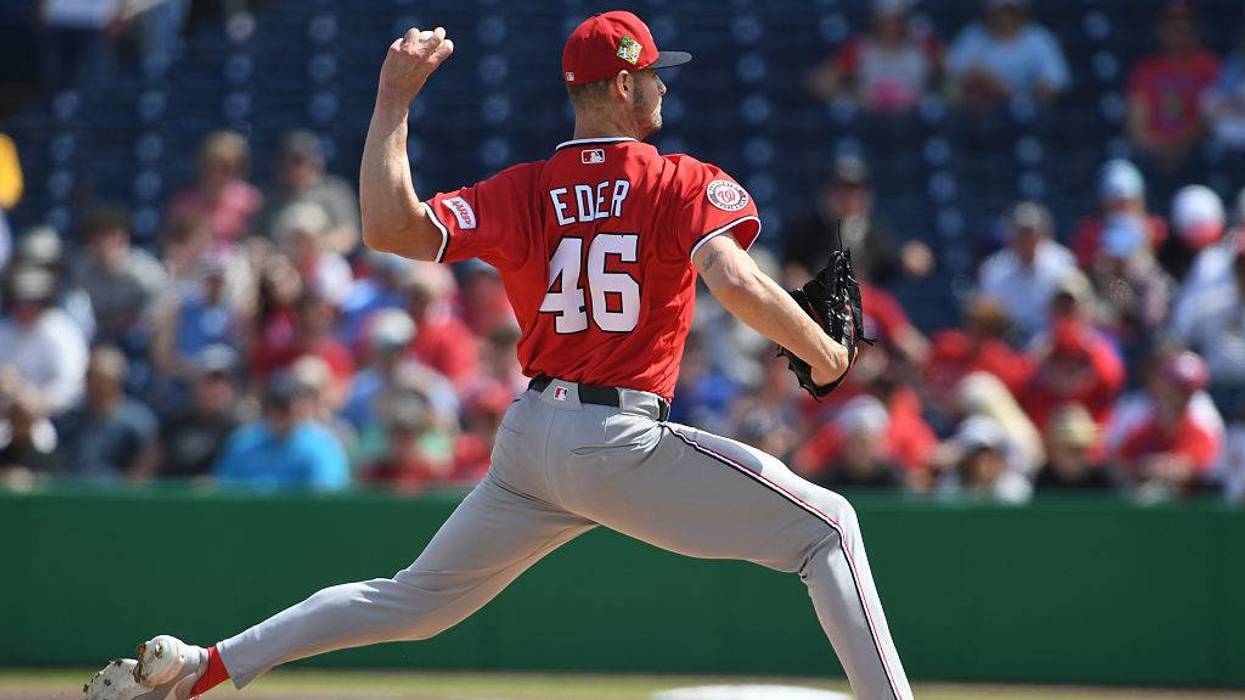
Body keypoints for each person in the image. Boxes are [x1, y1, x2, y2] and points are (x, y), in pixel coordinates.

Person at [85, 13, 913, 700]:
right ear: (622, 85)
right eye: (654, 75)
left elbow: (388, 228)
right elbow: (731, 277)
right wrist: (824, 353)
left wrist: (392, 100)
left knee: (409, 600)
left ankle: (206, 667)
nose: (664, 87)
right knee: (828, 530)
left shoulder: (523, 189)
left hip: (532, 440)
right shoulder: (677, 180)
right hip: (617, 439)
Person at [782, 155, 932, 288]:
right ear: (829, 193)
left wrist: (909, 257)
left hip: (863, 305)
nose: (849, 200)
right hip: (818, 303)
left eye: (855, 194)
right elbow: (791, 268)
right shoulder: (808, 228)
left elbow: (894, 259)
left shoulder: (873, 231)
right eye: (842, 193)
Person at [212, 371, 349, 492]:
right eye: (277, 405)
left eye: (289, 406)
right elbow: (224, 490)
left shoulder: (322, 445)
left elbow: (325, 496)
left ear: (302, 407)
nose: (283, 413)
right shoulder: (243, 442)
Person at [1126, 1, 1221, 175]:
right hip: (1154, 159)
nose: (1177, 26)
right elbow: (1136, 127)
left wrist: (1179, 145)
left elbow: (1211, 118)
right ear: (1159, 27)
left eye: (1184, 20)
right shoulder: (1147, 69)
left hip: (1197, 157)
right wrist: (1162, 149)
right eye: (1170, 20)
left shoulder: (1210, 66)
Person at [807, 0, 942, 115]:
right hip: (871, 121)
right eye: (887, 20)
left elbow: (949, 76)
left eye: (898, 20)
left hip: (913, 120)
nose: (893, 26)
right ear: (877, 21)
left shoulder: (923, 46)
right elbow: (821, 83)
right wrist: (852, 94)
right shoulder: (859, 49)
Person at [976, 201, 1077, 342]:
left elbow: (1072, 311)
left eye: (1031, 232)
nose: (1026, 239)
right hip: (1008, 341)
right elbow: (986, 318)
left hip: (1054, 341)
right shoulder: (993, 269)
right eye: (1021, 233)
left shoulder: (1062, 262)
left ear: (1043, 234)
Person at [945, 0, 1070, 112]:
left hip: (1028, 112)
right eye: (1000, 12)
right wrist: (984, 80)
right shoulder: (973, 36)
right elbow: (950, 72)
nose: (1005, 18)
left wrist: (1015, 93)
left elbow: (1055, 81)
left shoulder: (1039, 38)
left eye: (1010, 12)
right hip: (982, 113)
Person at [56, 346, 159, 480]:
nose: (93, 385)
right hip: (72, 489)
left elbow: (146, 465)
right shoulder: (70, 420)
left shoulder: (138, 421)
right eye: (89, 377)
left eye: (100, 379)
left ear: (117, 381)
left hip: (117, 491)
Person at [0, 265, 88, 417]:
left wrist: (40, 399)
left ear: (45, 301)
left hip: (54, 415)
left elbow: (73, 383)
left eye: (32, 302)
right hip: (8, 414)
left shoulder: (62, 331)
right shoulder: (4, 329)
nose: (24, 307)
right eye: (19, 301)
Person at [255, 129, 361, 255]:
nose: (291, 167)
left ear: (315, 162)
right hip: (281, 260)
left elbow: (349, 235)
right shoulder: (270, 196)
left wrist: (311, 248)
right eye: (285, 160)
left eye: (298, 161)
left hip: (325, 260)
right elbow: (259, 239)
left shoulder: (334, 191)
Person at [157, 346, 243, 480]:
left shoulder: (240, 430)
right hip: (173, 491)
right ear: (195, 384)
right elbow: (146, 469)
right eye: (210, 381)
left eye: (223, 382)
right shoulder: (174, 422)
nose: (216, 389)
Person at [164, 130, 263, 247]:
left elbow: (255, 242)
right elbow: (170, 245)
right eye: (211, 164)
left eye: (225, 167)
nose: (217, 172)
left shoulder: (249, 201)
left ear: (238, 168)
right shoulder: (182, 204)